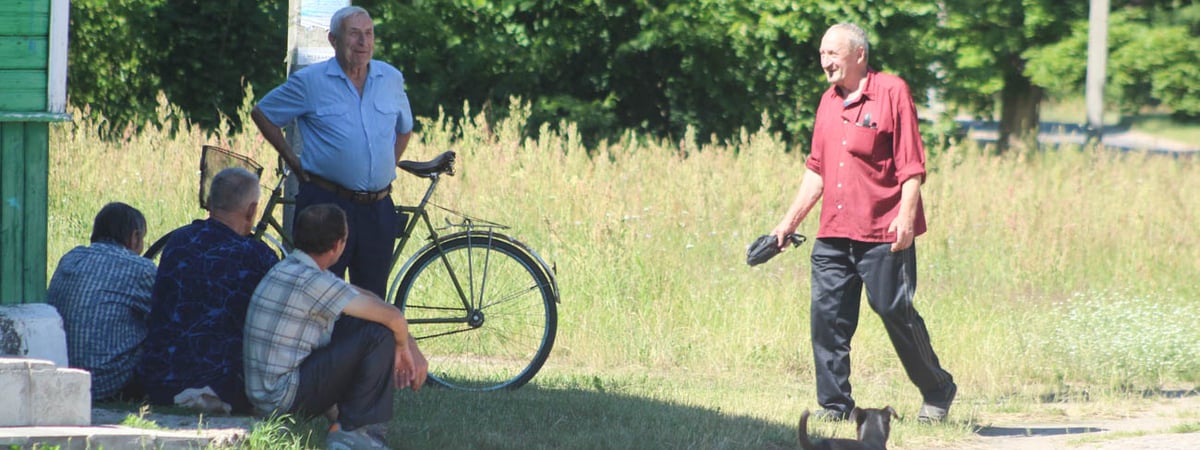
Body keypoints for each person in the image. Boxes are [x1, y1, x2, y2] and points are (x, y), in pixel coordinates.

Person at [770, 23, 956, 422]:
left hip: (882, 232)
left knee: (893, 310)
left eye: (833, 54)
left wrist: (906, 216)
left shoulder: (892, 92)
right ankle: (835, 405)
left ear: (859, 55)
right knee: (827, 319)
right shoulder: (826, 103)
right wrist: (787, 223)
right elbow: (816, 171)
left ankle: (938, 390)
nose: (825, 62)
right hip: (833, 233)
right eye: (822, 54)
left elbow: (911, 165)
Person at [251, 5, 413, 300]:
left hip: (378, 208)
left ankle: (366, 348)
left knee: (373, 298)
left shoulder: (390, 79)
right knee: (319, 296)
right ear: (333, 40)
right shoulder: (311, 82)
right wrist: (292, 161)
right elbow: (263, 113)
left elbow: (405, 128)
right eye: (354, 34)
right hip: (327, 203)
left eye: (369, 34)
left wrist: (386, 168)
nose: (363, 42)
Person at [244, 203, 427, 450]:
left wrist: (407, 342)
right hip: (282, 398)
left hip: (265, 396)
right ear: (338, 245)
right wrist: (405, 347)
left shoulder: (289, 269)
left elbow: (360, 295)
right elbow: (393, 319)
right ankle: (353, 432)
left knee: (363, 320)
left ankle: (343, 422)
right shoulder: (313, 282)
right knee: (379, 334)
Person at [136, 167, 279, 414]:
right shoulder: (259, 256)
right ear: (253, 210)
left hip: (162, 382)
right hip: (227, 386)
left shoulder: (178, 241)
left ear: (210, 203)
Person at [47, 202, 156, 401]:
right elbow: (168, 314)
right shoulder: (140, 268)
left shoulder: (71, 258)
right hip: (105, 384)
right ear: (134, 237)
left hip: (63, 379)